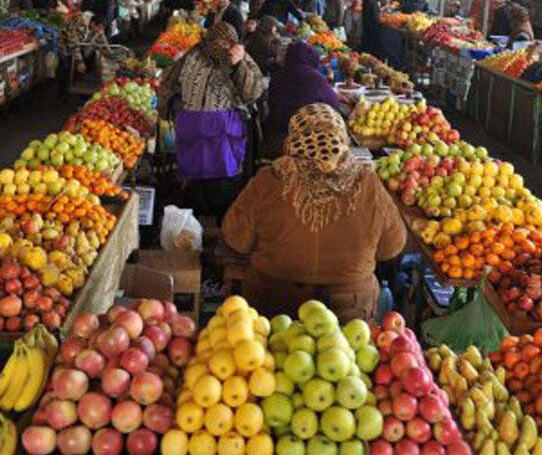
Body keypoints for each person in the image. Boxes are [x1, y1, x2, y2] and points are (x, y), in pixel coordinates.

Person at [222, 103, 406, 322]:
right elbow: (392, 247)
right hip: (350, 312)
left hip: (275, 308)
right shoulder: (367, 182)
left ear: (293, 139)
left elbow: (236, 239)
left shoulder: (269, 179)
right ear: (342, 138)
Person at [159, 22, 264, 219]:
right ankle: (195, 220)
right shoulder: (193, 55)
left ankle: (222, 222)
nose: (222, 46)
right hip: (193, 130)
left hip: (223, 133)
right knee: (195, 180)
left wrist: (238, 64)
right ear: (210, 40)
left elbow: (253, 93)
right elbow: (168, 83)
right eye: (218, 41)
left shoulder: (240, 59)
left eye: (227, 43)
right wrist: (173, 107)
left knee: (223, 179)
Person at [262, 41, 340, 158]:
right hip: (306, 139)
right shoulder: (316, 78)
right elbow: (334, 105)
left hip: (276, 134)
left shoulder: (277, 76)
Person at [60, 12, 112, 93]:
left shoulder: (97, 28)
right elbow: (73, 43)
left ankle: (77, 81)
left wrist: (111, 54)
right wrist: (79, 62)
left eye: (101, 28)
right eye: (98, 27)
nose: (99, 30)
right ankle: (63, 92)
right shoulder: (78, 24)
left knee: (84, 62)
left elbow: (102, 40)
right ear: (93, 23)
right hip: (65, 45)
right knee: (66, 68)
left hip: (80, 45)